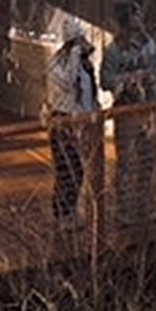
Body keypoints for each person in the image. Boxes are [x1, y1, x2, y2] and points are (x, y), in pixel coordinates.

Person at [100, 0, 156, 223]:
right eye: (135, 15)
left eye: (140, 15)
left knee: (148, 160)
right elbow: (105, 80)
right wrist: (126, 81)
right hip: (126, 112)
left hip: (149, 108)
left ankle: (145, 206)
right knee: (125, 162)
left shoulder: (150, 45)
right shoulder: (114, 50)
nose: (140, 20)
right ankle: (123, 210)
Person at [44, 17, 98, 224]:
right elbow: (66, 83)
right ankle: (61, 213)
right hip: (62, 119)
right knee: (67, 167)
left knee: (78, 168)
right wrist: (75, 56)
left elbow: (88, 92)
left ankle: (71, 210)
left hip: (80, 121)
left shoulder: (85, 66)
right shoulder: (56, 64)